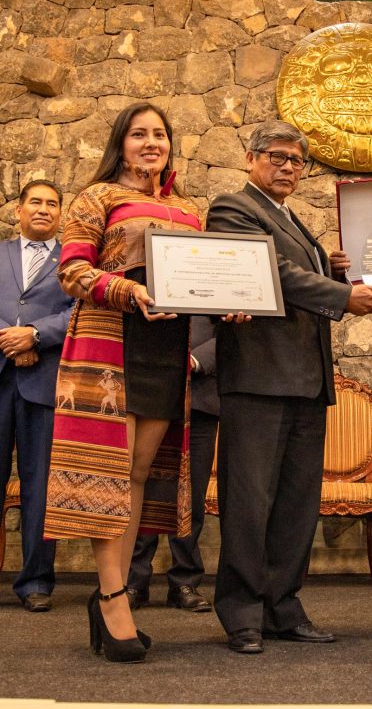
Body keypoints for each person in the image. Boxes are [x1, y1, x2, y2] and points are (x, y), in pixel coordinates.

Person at [44, 103, 245, 664]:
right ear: (122, 143)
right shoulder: (97, 197)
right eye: (139, 134)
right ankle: (113, 598)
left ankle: (114, 594)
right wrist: (127, 290)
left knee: (136, 475)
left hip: (165, 350)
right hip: (110, 343)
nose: (150, 142)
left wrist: (231, 302)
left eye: (159, 134)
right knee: (108, 475)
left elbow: (206, 277)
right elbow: (73, 271)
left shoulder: (188, 208)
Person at [207, 119, 372, 655]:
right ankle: (242, 612)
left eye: (297, 161)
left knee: (295, 504)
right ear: (251, 158)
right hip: (259, 378)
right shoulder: (232, 207)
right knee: (250, 500)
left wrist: (331, 271)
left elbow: (294, 272)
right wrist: (342, 296)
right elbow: (271, 272)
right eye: (277, 157)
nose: (288, 167)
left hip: (307, 381)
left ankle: (283, 607)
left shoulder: (294, 219)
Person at [0, 180, 74, 612]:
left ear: (60, 214)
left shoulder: (72, 261)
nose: (44, 209)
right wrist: (8, 340)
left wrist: (34, 336)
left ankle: (36, 582)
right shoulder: (2, 253)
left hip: (44, 382)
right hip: (1, 374)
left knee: (40, 485)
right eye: (36, 202)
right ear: (19, 210)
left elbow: (78, 311)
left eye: (52, 204)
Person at [127, 316, 219, 613]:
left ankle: (185, 582)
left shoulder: (216, 272)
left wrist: (194, 360)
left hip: (201, 397)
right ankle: (133, 582)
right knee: (142, 487)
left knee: (191, 497)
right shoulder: (147, 275)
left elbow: (234, 332)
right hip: (150, 391)